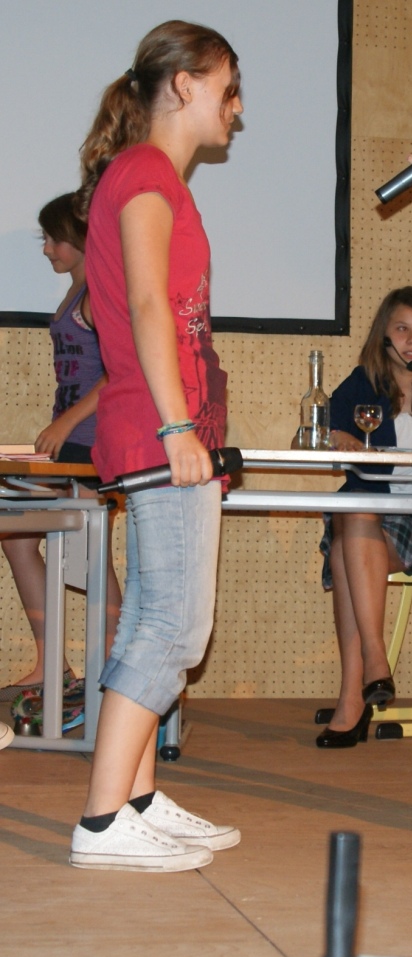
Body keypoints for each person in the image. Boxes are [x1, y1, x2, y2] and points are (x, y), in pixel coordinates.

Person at [68, 20, 243, 872]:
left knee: (148, 622)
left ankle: (134, 798)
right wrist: (178, 428)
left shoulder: (150, 176)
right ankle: (103, 823)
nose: (236, 109)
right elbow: (144, 304)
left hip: (162, 426)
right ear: (184, 84)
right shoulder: (143, 173)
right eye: (228, 89)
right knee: (176, 630)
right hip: (158, 429)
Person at [315, 287, 412, 748]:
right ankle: (371, 671)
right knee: (355, 515)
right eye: (402, 329)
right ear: (384, 334)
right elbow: (324, 424)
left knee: (346, 540)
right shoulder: (364, 382)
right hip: (368, 516)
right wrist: (337, 435)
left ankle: (358, 686)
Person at [1, 193, 121, 708]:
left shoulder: (98, 293)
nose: (47, 249)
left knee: (88, 553)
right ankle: (52, 664)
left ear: (80, 240)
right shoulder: (77, 290)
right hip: (71, 442)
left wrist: (68, 421)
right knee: (17, 538)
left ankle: (115, 670)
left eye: (53, 239)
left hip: (91, 444)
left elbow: (120, 372)